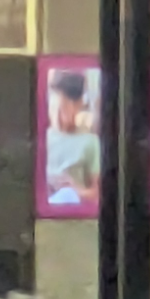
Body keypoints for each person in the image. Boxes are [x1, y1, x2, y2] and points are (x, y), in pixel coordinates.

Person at [46, 71, 100, 205]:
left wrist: (75, 190)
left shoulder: (90, 142)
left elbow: (98, 194)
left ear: (79, 104)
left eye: (65, 106)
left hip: (71, 206)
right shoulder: (43, 137)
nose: (59, 113)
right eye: (55, 105)